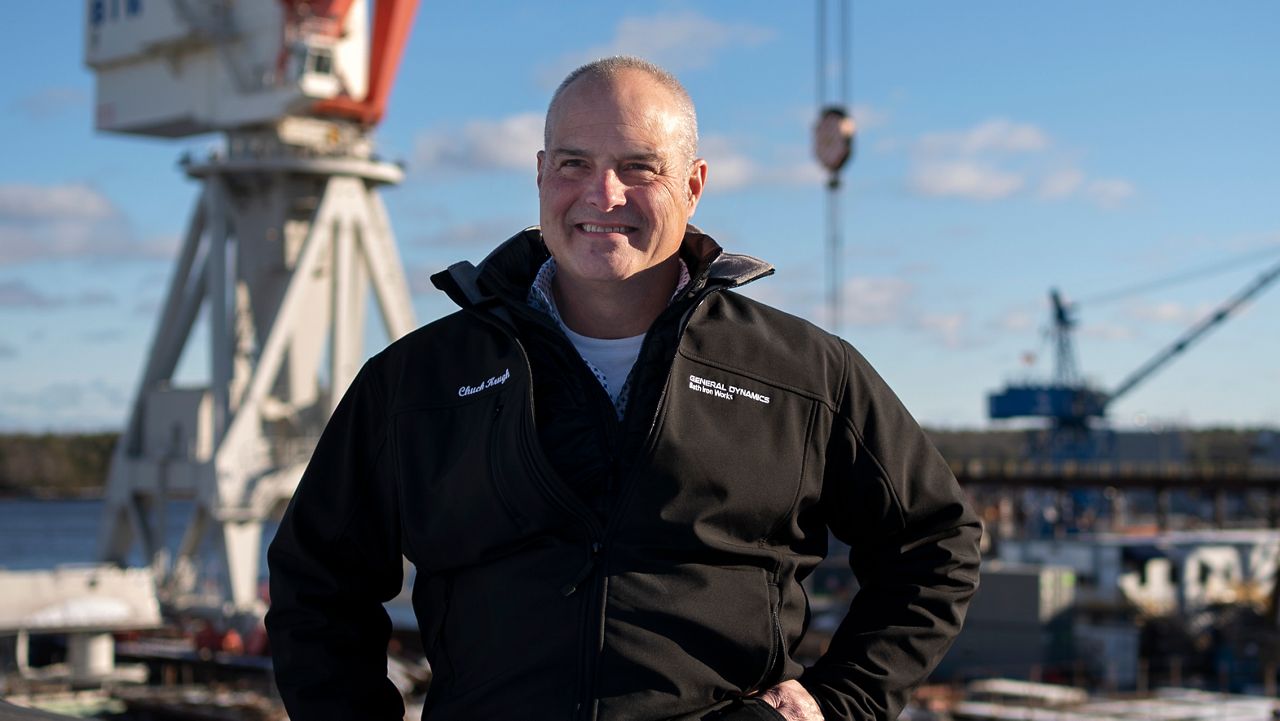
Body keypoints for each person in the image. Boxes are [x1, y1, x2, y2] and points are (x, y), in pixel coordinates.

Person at [266, 56, 981, 721]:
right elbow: (317, 581)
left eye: (639, 167)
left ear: (693, 184)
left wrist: (844, 699)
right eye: (576, 163)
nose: (603, 194)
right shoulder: (420, 380)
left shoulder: (799, 373)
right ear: (542, 174)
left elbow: (935, 542)